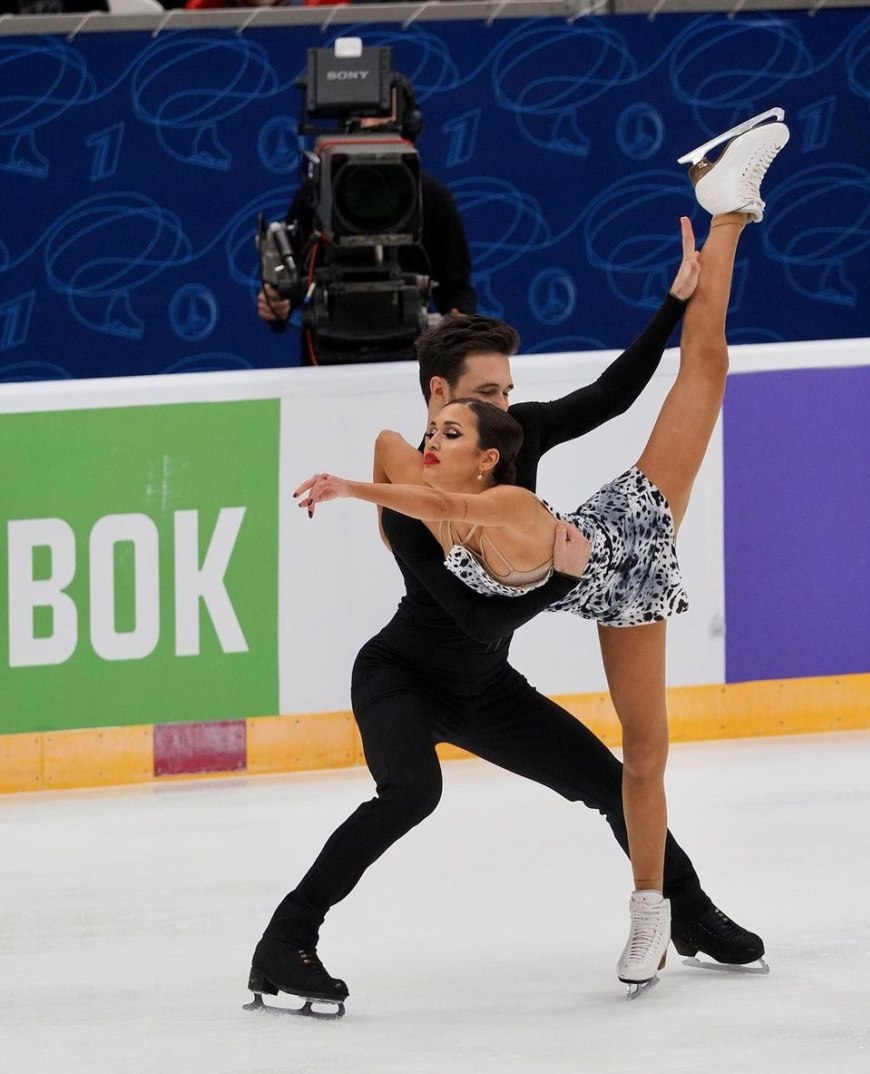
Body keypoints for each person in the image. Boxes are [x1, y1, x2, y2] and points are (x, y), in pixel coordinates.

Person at [248, 111, 786, 1011]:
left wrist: (671, 298)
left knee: (614, 783)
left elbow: (612, 396)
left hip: (485, 679)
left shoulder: (516, 443)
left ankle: (683, 909)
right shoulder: (421, 473)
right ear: (438, 401)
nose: (504, 409)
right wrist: (380, 495)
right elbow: (434, 524)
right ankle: (283, 941)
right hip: (404, 675)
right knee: (411, 794)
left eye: (506, 393)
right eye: (481, 399)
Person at [257, 73, 476, 365]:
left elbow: (456, 288)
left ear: (409, 121)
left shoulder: (433, 197)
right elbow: (294, 279)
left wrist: (460, 324)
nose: (370, 123)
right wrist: (277, 304)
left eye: (380, 111)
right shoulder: (314, 195)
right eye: (360, 113)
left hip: (410, 353)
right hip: (327, 353)